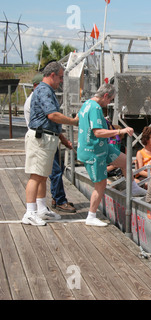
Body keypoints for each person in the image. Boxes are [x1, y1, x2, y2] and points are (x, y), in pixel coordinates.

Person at [77, 83, 147, 227]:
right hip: (94, 151)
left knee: (126, 161)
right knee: (101, 183)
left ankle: (132, 186)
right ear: (105, 96)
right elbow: (97, 132)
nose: (109, 103)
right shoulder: (96, 108)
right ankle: (91, 215)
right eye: (110, 100)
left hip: (103, 147)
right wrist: (119, 131)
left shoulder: (86, 104)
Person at [23, 62, 79, 226]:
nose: (61, 81)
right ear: (52, 75)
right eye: (60, 77)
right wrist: (73, 122)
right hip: (41, 139)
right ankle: (30, 212)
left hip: (47, 138)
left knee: (42, 175)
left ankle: (41, 208)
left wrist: (61, 138)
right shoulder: (44, 90)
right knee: (36, 175)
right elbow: (52, 115)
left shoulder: (44, 90)